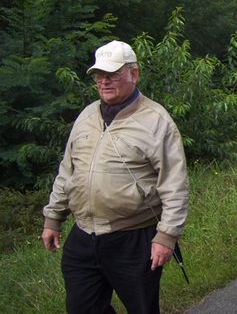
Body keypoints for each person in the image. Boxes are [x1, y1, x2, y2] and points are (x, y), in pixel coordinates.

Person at [42, 41, 190, 314]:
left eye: (112, 75)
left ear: (133, 75)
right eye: (99, 75)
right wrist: (54, 218)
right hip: (83, 236)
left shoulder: (157, 120)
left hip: (133, 239)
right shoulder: (87, 116)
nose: (104, 82)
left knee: (142, 309)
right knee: (82, 309)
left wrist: (166, 236)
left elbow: (175, 185)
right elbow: (68, 171)